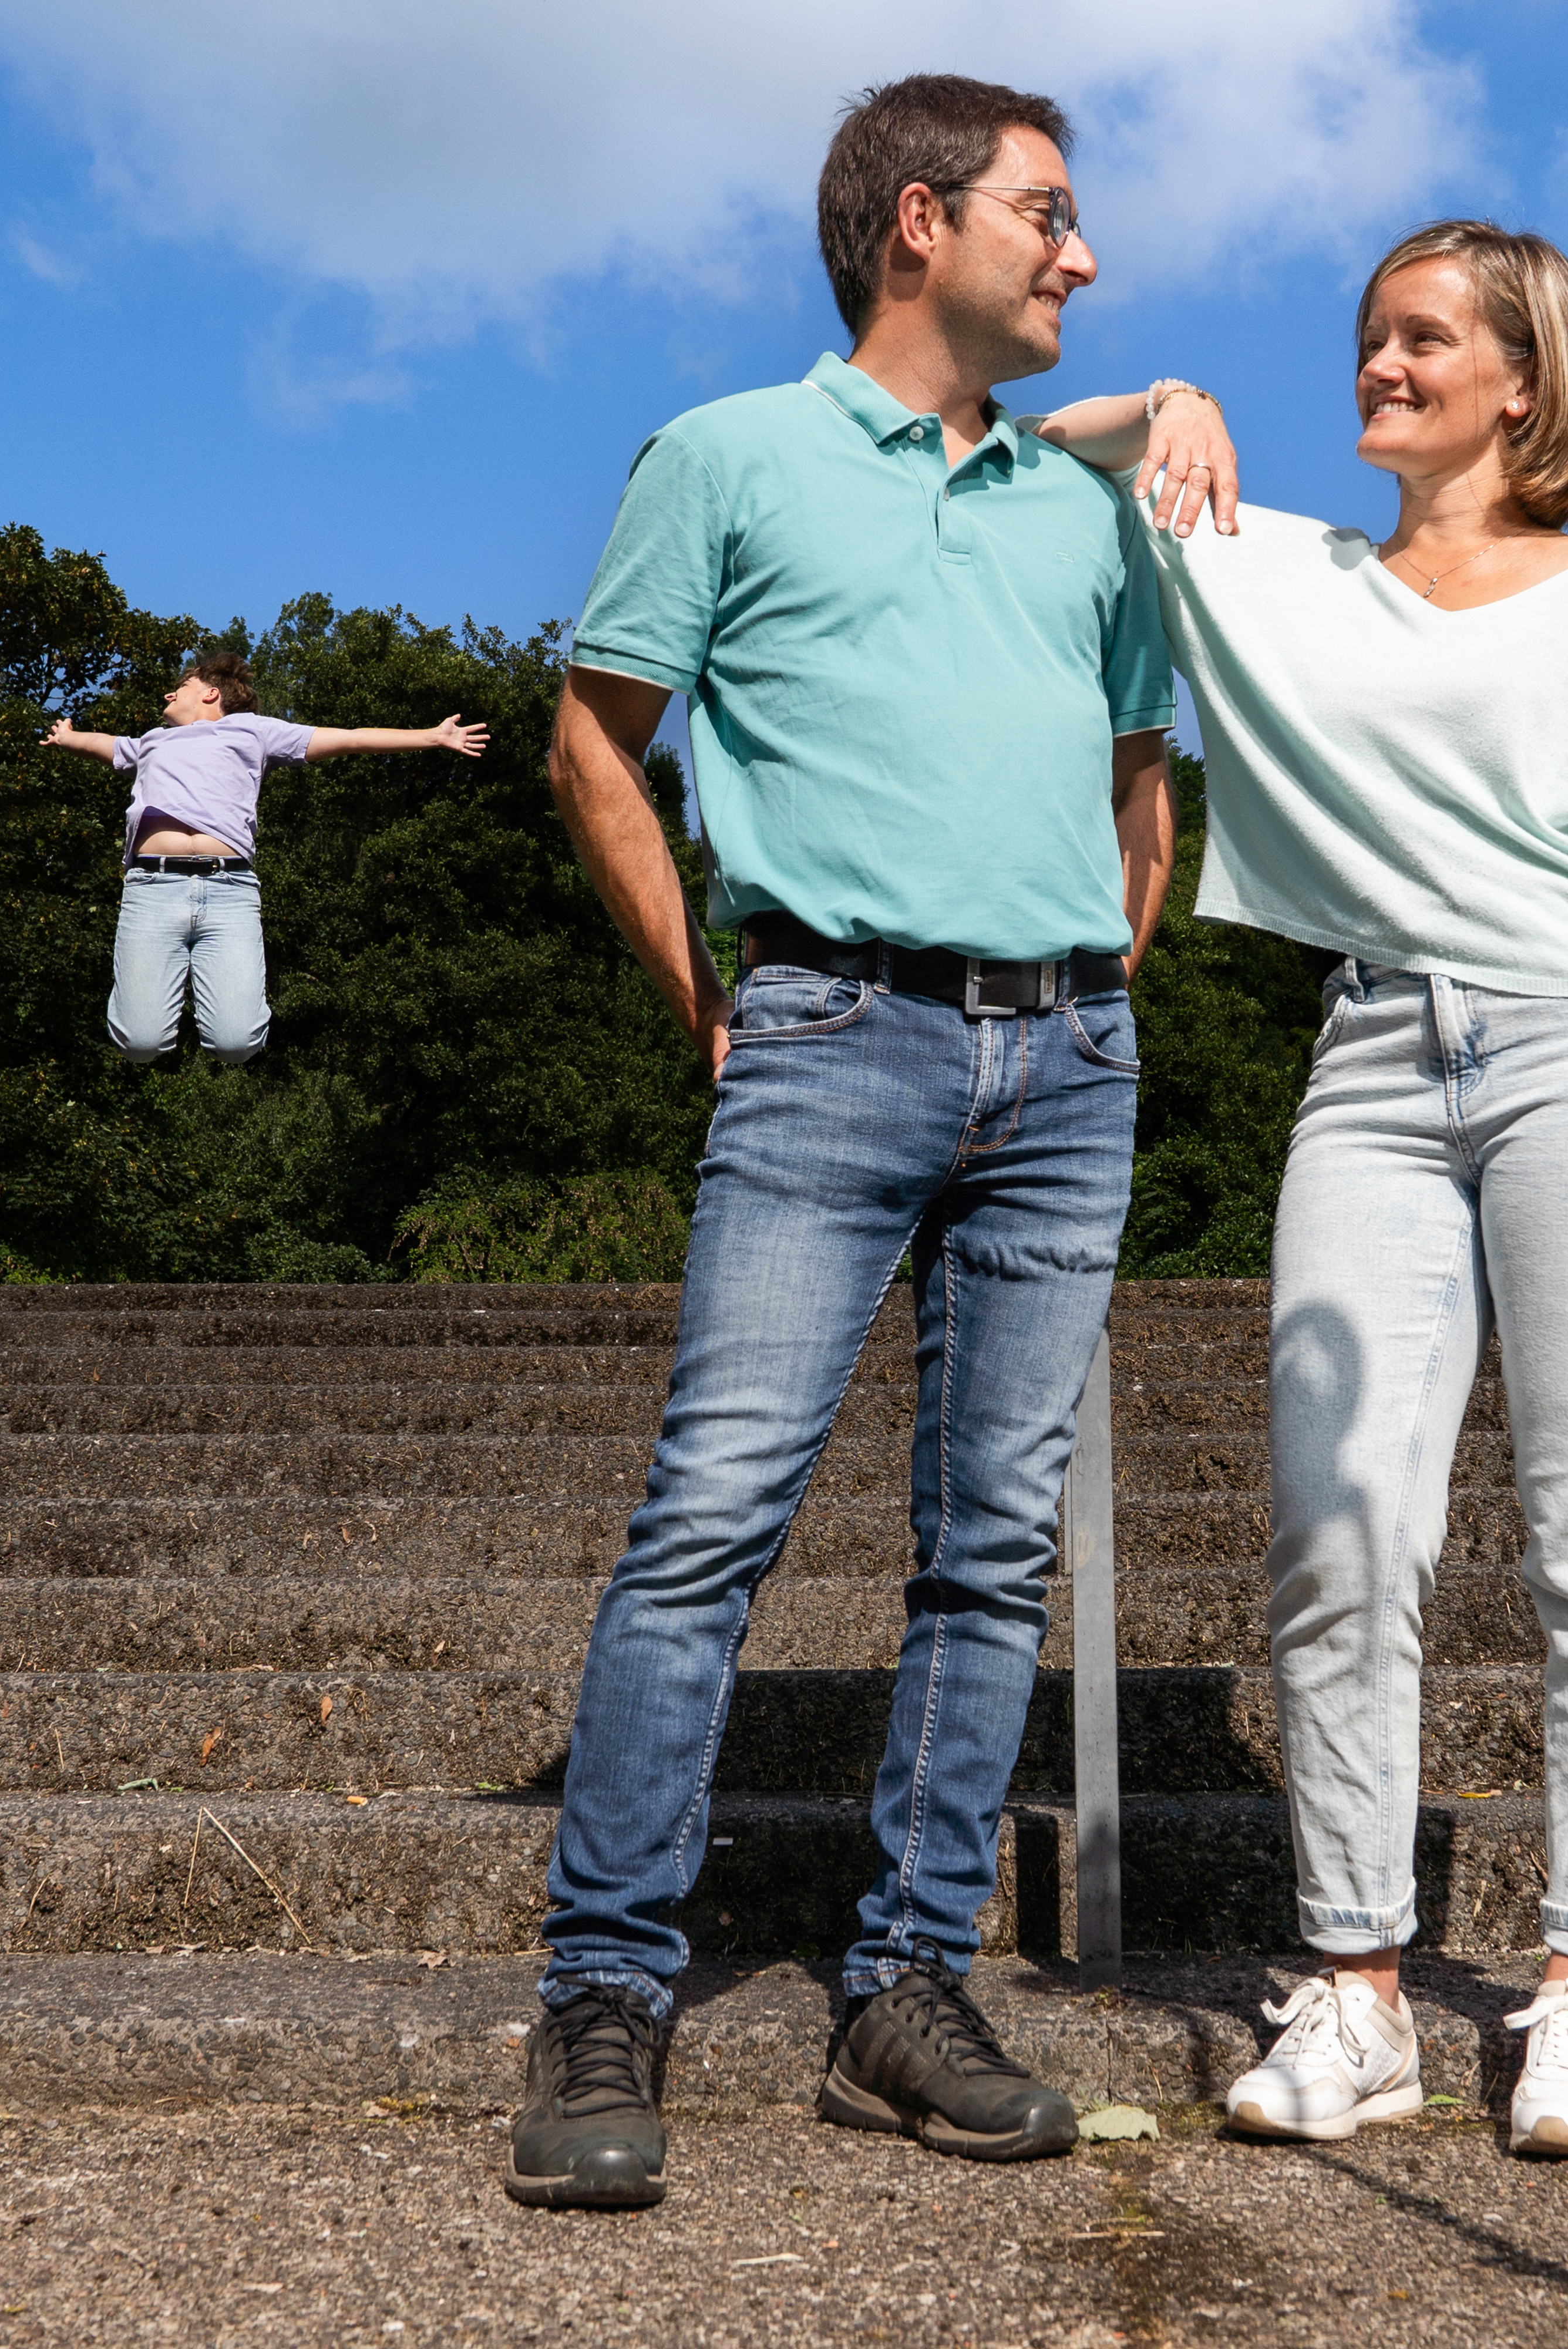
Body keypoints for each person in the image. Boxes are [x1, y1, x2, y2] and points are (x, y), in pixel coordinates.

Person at [504, 74, 1201, 2213]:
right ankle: (604, 1983)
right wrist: (713, 1004)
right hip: (825, 1029)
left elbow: (1140, 786)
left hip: (1064, 1064)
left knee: (991, 1550)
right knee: (710, 1515)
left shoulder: (1095, 517)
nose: (1080, 253)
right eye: (1046, 215)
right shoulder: (725, 457)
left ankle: (903, 1989)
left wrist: (1101, 990)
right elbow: (592, 747)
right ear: (920, 224)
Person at [1035, 219, 1568, 2162]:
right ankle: (1358, 1991)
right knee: (1339, 1524)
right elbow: (1023, 464)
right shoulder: (1277, 569)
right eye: (1369, 335)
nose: (1379, 362)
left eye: (1425, 337)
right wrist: (1167, 403)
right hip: (1375, 1059)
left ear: (1526, 379)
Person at [42, 651, 487, 1065]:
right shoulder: (152, 742)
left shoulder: (253, 730)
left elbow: (348, 739)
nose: (168, 694)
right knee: (141, 1044)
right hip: (153, 891)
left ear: (210, 693)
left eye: (181, 685)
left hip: (229, 892)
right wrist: (69, 736)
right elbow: (104, 744)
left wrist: (432, 736)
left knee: (236, 1045)